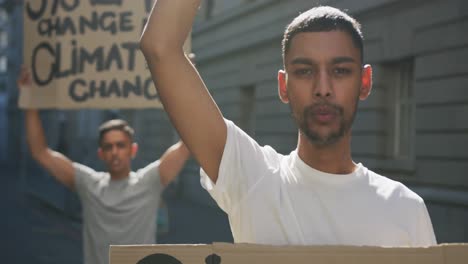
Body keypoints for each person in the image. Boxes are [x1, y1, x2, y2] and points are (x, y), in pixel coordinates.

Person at [139, 1, 436, 246]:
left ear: (365, 81)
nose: (323, 88)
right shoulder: (253, 177)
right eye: (305, 71)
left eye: (341, 70)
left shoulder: (406, 208)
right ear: (283, 85)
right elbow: (159, 47)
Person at [17, 66, 191, 264]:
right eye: (108, 147)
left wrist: (186, 82)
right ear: (101, 153)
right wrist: (29, 99)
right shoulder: (89, 183)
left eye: (120, 145)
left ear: (133, 150)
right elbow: (40, 152)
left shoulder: (149, 181)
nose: (115, 151)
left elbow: (187, 143)